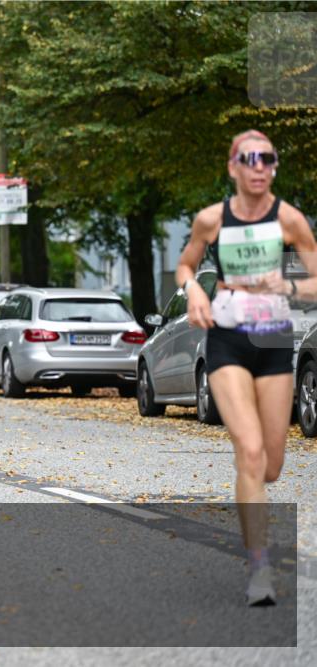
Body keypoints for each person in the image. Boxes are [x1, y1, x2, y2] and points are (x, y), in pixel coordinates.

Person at [176, 129, 317, 606]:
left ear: (274, 167)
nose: (259, 167)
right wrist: (194, 289)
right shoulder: (212, 219)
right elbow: (185, 266)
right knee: (250, 451)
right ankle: (259, 565)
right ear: (233, 166)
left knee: (273, 464)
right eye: (249, 159)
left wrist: (290, 286)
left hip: (273, 339)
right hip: (228, 340)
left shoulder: (290, 220)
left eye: (267, 159)